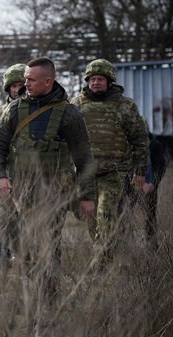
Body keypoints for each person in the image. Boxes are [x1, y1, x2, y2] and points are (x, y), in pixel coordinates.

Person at [0, 57, 96, 329]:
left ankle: (47, 309)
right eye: (25, 79)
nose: (25, 84)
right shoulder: (14, 110)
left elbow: (84, 158)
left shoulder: (69, 114)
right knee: (20, 250)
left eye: (31, 80)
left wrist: (87, 196)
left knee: (48, 250)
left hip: (53, 196)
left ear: (48, 81)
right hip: (18, 195)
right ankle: (26, 301)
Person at [70, 58, 149, 267]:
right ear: (87, 81)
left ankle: (100, 268)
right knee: (92, 220)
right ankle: (110, 256)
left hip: (114, 172)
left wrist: (140, 171)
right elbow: (66, 138)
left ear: (109, 82)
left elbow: (140, 139)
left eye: (100, 79)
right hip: (86, 173)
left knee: (106, 215)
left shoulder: (125, 106)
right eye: (92, 79)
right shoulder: (76, 105)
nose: (96, 83)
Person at [0, 63, 26, 285]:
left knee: (27, 228)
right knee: (4, 227)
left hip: (31, 178)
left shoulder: (40, 112)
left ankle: (26, 271)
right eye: (14, 86)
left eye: (22, 85)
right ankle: (1, 271)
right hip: (6, 179)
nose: (18, 90)